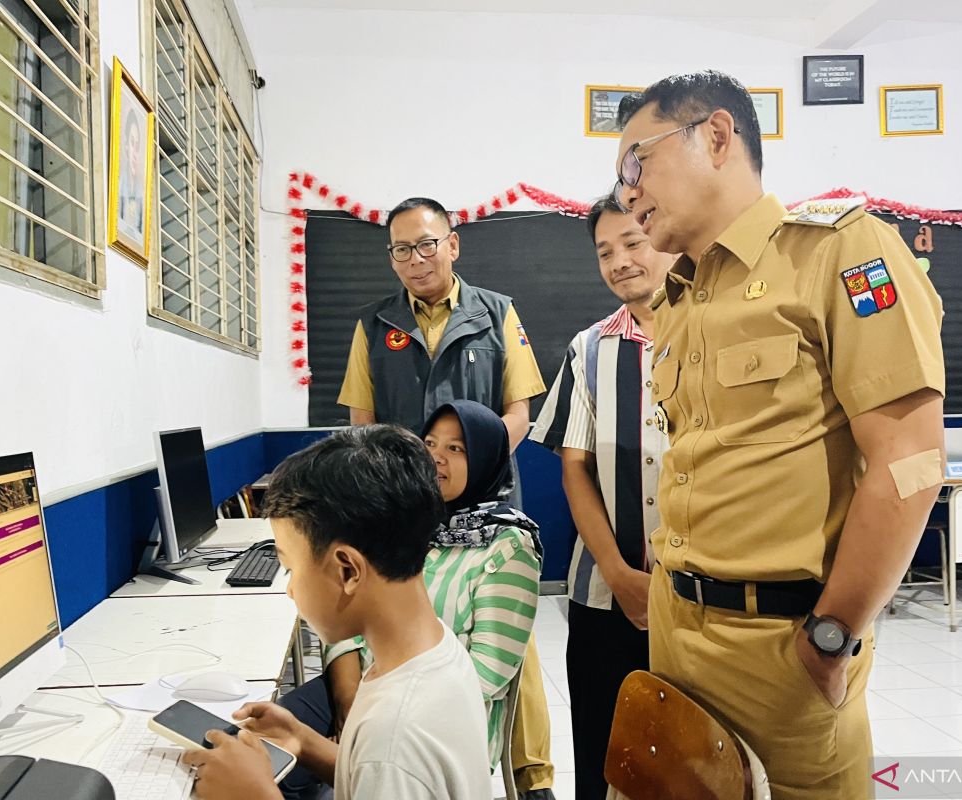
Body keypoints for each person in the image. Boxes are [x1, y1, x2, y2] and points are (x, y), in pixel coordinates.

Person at [613, 70, 945, 799]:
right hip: (676, 629)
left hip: (786, 647)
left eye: (638, 161)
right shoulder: (681, 298)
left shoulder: (838, 253)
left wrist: (833, 634)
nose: (626, 191)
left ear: (718, 136)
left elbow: (911, 459)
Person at [336, 196, 556, 797]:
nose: (416, 258)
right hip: (407, 507)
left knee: (507, 633)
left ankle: (531, 775)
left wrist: (474, 465)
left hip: (485, 501)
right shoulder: (374, 326)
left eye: (427, 244)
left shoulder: (498, 314)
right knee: (408, 614)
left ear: (453, 245)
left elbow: (519, 412)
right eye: (402, 249)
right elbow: (362, 423)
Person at [184, 425, 492, 800]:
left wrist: (256, 795)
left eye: (291, 569)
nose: (291, 589)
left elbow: (385, 765)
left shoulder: (395, 736)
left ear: (347, 570)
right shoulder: (434, 648)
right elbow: (372, 778)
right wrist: (303, 740)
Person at [277, 400, 543, 797]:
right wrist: (308, 734)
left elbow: (390, 756)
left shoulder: (505, 546)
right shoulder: (434, 644)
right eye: (430, 443)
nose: (436, 457)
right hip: (382, 687)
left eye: (456, 448)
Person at [530, 192, 676, 800]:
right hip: (602, 591)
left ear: (665, 239)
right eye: (605, 252)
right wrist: (617, 573)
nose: (620, 262)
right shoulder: (589, 350)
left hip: (699, 593)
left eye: (633, 244)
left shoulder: (712, 331)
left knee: (686, 758)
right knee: (603, 750)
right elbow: (575, 470)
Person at [118, 109, 145, 237]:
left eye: (137, 145)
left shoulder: (140, 190)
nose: (135, 152)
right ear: (126, 146)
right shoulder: (120, 184)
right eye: (132, 143)